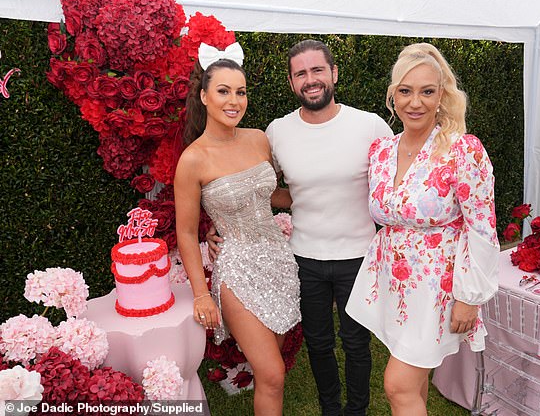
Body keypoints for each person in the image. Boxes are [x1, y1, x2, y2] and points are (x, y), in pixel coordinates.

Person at [345, 43, 499, 416]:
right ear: (392, 95)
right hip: (395, 286)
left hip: (439, 289)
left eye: (427, 91)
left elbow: (483, 228)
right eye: (405, 91)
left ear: (442, 96)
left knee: (397, 386)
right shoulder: (381, 150)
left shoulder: (463, 150)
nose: (415, 102)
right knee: (412, 386)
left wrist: (469, 297)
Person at [265, 39, 393, 416]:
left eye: (317, 70)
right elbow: (267, 188)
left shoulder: (370, 125)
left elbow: (393, 189)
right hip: (305, 258)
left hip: (359, 256)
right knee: (318, 343)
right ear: (291, 83)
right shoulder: (277, 132)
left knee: (355, 343)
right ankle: (330, 409)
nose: (311, 79)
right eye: (301, 73)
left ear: (334, 73)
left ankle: (356, 410)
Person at [174, 43, 301, 416]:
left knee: (271, 372)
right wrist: (201, 294)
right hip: (238, 270)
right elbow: (185, 231)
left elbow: (271, 195)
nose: (234, 100)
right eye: (224, 91)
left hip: (279, 262)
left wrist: (321, 192)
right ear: (204, 96)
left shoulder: (258, 138)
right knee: (273, 373)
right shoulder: (193, 159)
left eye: (240, 92)